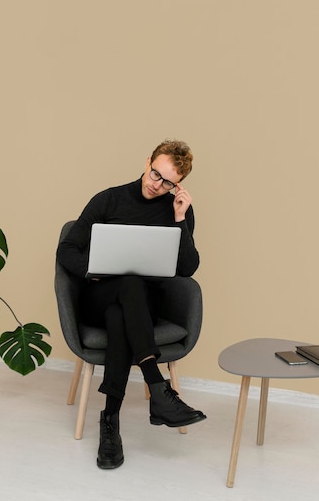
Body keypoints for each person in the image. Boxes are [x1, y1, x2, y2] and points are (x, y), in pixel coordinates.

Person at [56, 139, 206, 469]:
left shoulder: (176, 209)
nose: (157, 185)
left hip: (141, 307)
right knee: (125, 287)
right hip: (98, 296)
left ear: (178, 184)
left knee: (122, 308)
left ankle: (110, 421)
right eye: (155, 174)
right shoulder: (109, 199)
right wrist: (92, 272)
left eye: (168, 182)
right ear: (147, 161)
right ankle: (157, 389)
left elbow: (187, 269)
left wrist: (180, 218)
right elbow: (67, 249)